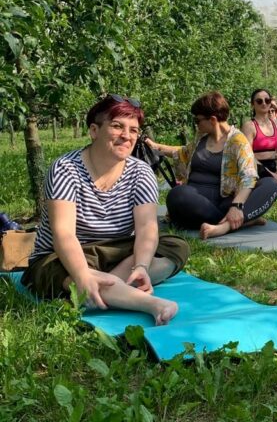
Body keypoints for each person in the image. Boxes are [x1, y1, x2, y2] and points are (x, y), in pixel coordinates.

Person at [22, 95, 189, 324]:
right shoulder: (65, 169)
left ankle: (99, 289)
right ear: (94, 131)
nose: (126, 136)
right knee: (65, 274)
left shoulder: (141, 172)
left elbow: (147, 228)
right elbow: (64, 234)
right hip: (61, 256)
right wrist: (81, 275)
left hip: (116, 252)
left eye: (133, 130)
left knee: (175, 246)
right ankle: (151, 304)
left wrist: (141, 265)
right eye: (117, 126)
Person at [149, 92, 277, 240]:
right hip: (194, 203)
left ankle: (225, 226)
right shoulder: (201, 138)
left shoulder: (237, 141)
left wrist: (236, 207)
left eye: (197, 120)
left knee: (273, 184)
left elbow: (249, 176)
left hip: (225, 204)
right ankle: (246, 220)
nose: (196, 124)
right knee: (178, 195)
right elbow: (182, 153)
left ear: (212, 120)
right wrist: (155, 146)